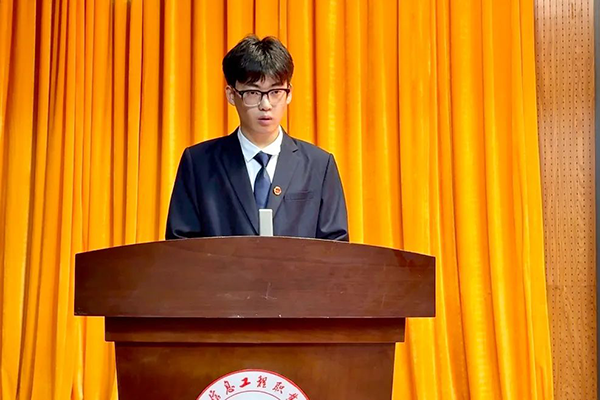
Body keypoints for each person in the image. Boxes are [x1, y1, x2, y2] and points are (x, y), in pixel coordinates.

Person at [165, 35, 348, 241]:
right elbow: (181, 245)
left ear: (289, 93)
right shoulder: (199, 164)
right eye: (253, 93)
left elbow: (336, 247)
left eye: (275, 91)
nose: (266, 105)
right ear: (231, 94)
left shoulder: (319, 165)